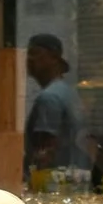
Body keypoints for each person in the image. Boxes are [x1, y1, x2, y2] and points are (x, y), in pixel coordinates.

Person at [24, 32, 88, 172]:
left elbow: (45, 151)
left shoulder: (50, 97)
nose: (29, 59)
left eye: (35, 53)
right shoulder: (68, 92)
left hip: (54, 184)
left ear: (53, 58)